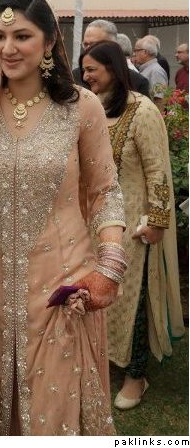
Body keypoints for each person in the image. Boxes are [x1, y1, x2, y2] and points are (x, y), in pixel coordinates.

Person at [0, 0, 126, 436]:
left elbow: (105, 191)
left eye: (22, 36)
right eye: (0, 36)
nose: (8, 48)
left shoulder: (81, 106)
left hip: (61, 284)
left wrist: (110, 266)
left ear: (49, 41)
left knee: (52, 404)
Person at [81, 41, 184, 410]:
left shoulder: (142, 111)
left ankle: (136, 376)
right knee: (95, 294)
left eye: (92, 69)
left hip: (133, 224)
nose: (86, 76)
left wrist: (156, 222)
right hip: (93, 223)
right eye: (84, 69)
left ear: (113, 68)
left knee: (132, 299)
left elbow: (158, 171)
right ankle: (100, 358)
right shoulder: (90, 106)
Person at [73, 19, 150, 97]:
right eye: (85, 44)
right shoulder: (75, 77)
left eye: (95, 45)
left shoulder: (137, 82)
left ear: (113, 45)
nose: (88, 49)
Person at [132, 36, 168, 105]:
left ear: (145, 52)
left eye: (136, 50)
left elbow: (160, 100)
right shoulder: (147, 69)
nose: (134, 54)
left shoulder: (156, 71)